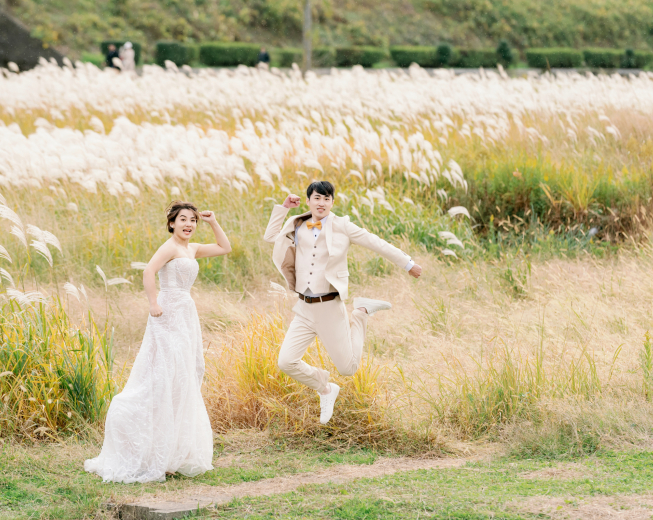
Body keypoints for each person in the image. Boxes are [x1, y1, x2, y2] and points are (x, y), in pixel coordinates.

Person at [85, 201, 231, 483]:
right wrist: (153, 303)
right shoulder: (170, 247)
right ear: (172, 224)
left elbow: (225, 248)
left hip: (185, 313)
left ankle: (170, 454)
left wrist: (213, 222)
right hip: (166, 313)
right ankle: (149, 450)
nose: (188, 224)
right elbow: (148, 271)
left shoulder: (192, 248)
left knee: (182, 377)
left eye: (193, 220)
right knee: (163, 376)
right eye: (183, 220)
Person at [263, 181, 423, 424]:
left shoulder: (343, 226)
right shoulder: (297, 223)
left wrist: (408, 264)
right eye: (317, 198)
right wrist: (283, 208)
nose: (322, 203)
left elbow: (376, 242)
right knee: (286, 362)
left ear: (332, 202)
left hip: (329, 306)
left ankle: (360, 314)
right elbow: (269, 237)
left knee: (348, 369)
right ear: (309, 201)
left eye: (327, 199)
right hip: (304, 307)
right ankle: (325, 388)